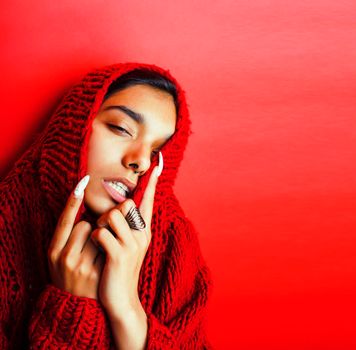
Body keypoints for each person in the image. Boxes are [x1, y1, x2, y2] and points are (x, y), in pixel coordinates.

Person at [0, 62, 213, 349]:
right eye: (121, 128)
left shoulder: (176, 245)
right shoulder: (6, 225)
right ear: (75, 125)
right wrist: (73, 311)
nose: (141, 161)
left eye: (156, 151)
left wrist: (127, 310)